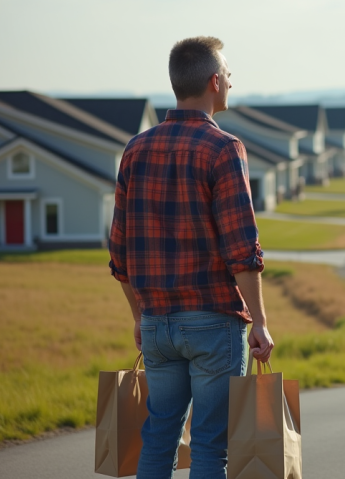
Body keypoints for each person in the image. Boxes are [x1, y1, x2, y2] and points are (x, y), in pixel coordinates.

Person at [109, 36, 274, 479]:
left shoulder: (135, 149)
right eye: (229, 76)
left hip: (156, 323)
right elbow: (242, 249)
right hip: (213, 323)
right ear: (214, 82)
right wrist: (259, 322)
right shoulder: (224, 148)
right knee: (210, 447)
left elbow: (120, 251)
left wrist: (140, 317)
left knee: (158, 437)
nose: (232, 84)